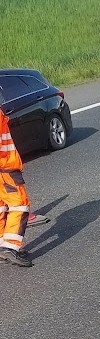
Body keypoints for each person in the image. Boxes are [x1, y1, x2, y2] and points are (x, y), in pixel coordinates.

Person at [0, 107, 32, 267]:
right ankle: (9, 247)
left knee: (1, 207)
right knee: (20, 205)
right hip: (4, 168)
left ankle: (2, 245)